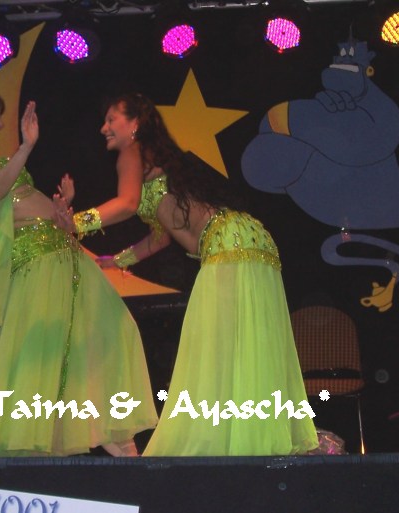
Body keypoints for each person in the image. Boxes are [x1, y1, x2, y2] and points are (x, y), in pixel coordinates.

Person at [53, 92, 319, 456]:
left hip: (227, 243)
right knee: (243, 344)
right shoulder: (153, 159)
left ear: (135, 124)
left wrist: (77, 223)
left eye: (112, 119)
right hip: (251, 238)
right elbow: (163, 234)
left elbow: (127, 204)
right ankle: (251, 441)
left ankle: (234, 442)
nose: (104, 127)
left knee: (214, 345)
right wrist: (120, 260)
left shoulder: (133, 151)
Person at [0, 89, 157, 457]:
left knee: (105, 330)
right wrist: (26, 146)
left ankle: (108, 431)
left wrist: (63, 206)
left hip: (60, 252)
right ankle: (53, 440)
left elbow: (22, 203)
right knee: (45, 348)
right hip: (38, 259)